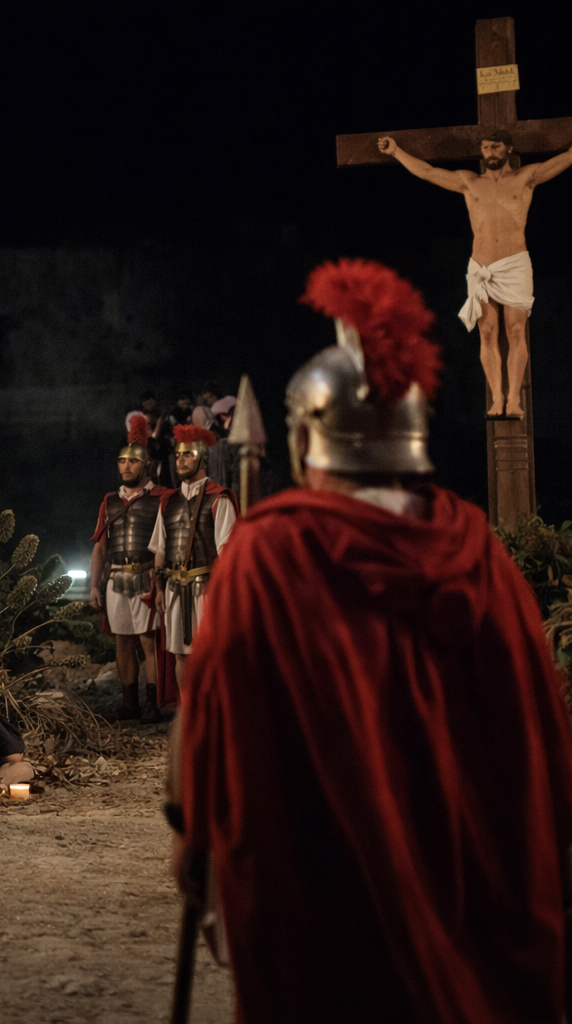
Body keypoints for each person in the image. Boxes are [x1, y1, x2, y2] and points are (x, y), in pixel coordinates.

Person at [168, 258, 572, 1021]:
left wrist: (191, 832)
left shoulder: (271, 553)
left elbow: (215, 715)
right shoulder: (478, 551)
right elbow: (538, 729)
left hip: (325, 894)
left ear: (306, 437)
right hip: (468, 888)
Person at [378, 132, 572, 418]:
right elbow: (428, 172)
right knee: (487, 331)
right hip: (481, 267)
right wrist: (396, 152)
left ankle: (514, 399)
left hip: (515, 264)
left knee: (516, 330)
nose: (489, 152)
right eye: (485, 147)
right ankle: (496, 398)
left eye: (495, 146)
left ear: (508, 148)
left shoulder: (525, 178)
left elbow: (565, 158)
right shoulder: (469, 182)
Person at [88, 417, 170, 721]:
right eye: (122, 461)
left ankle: (153, 704)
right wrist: (94, 585)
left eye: (133, 461)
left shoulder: (162, 498)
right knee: (122, 642)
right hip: (116, 580)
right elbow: (101, 547)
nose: (126, 466)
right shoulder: (109, 502)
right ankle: (130, 704)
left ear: (145, 465)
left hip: (147, 576)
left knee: (149, 641)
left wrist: (162, 583)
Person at [149, 425, 237, 689]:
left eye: (187, 455)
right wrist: (159, 588)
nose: (180, 460)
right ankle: (187, 711)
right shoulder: (168, 502)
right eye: (178, 455)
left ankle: (211, 711)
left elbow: (228, 554)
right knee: (180, 656)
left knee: (210, 655)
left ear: (202, 458)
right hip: (175, 589)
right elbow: (160, 549)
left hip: (207, 590)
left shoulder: (218, 498)